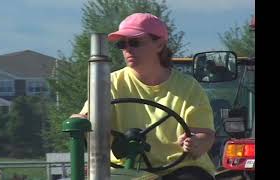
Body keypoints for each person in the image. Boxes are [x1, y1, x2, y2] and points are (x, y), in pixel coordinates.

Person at [71, 13, 216, 180]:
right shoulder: (109, 83)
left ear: (160, 44)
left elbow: (205, 135)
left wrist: (197, 142)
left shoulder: (188, 87)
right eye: (122, 44)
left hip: (179, 168)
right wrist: (80, 121)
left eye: (134, 42)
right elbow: (89, 121)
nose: (127, 49)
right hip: (124, 169)